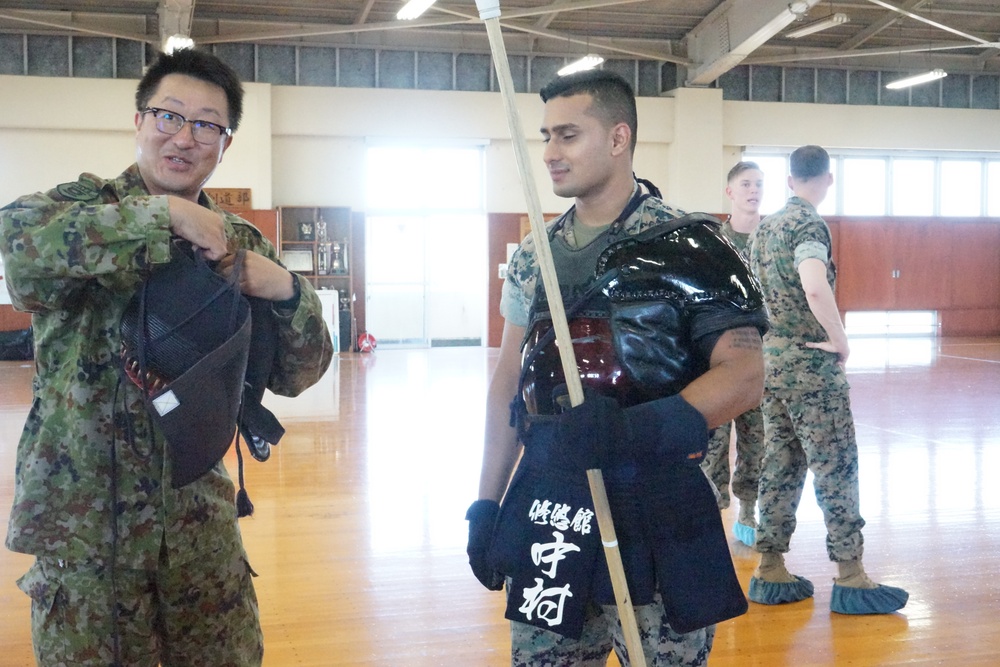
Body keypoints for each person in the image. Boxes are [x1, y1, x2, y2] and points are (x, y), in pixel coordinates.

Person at [0, 47, 332, 665]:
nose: (185, 137)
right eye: (169, 115)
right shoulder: (77, 211)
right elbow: (20, 252)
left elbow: (298, 372)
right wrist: (165, 217)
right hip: (86, 536)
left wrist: (286, 290)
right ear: (139, 121)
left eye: (208, 124)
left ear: (225, 144)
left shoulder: (241, 245)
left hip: (196, 529)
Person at [465, 69, 769, 666]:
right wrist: (487, 503)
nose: (551, 154)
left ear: (618, 138)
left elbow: (744, 375)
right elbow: (508, 382)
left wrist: (634, 430)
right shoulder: (536, 255)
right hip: (552, 499)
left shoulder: (696, 249)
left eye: (569, 135)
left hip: (657, 506)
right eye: (546, 136)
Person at [746, 145, 908, 614]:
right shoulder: (807, 224)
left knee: (781, 463)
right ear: (827, 179)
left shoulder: (765, 228)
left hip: (772, 362)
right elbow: (814, 283)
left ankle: (770, 568)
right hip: (810, 366)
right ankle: (851, 576)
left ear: (789, 178)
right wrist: (840, 339)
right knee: (836, 466)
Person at [700, 161, 767, 547]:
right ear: (730, 191)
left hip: (762, 361)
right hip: (720, 361)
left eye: (758, 184)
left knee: (757, 440)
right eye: (745, 184)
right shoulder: (715, 241)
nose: (753, 190)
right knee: (713, 440)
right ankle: (710, 510)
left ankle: (748, 508)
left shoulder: (772, 238)